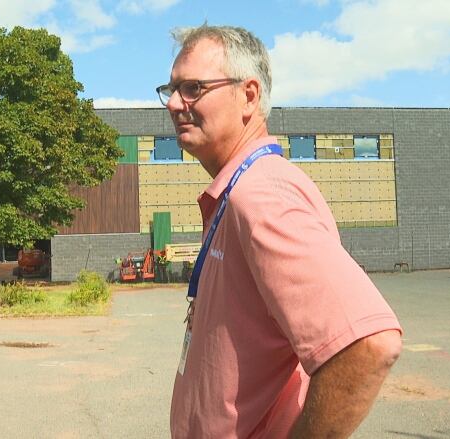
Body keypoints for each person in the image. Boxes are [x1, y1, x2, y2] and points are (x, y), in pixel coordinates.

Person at [156, 25, 403, 438]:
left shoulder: (262, 195)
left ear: (248, 96)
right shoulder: (240, 192)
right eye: (172, 88)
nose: (176, 103)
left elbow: (369, 345)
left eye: (194, 88)